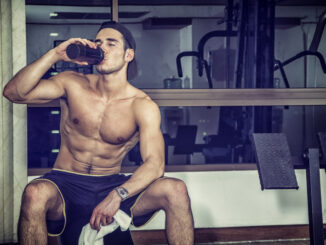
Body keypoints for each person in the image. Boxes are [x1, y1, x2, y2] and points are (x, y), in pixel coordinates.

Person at [3, 21, 194, 245]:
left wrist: (117, 195)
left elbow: (155, 165)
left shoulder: (142, 105)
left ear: (128, 54)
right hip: (66, 182)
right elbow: (14, 93)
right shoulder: (72, 83)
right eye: (98, 43)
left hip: (111, 183)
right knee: (34, 193)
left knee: (176, 190)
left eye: (111, 43)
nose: (102, 48)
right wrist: (55, 55)